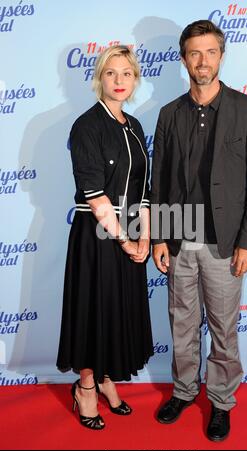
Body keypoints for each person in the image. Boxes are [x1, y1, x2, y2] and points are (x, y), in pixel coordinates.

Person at [151, 20, 247, 441]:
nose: (202, 61)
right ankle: (184, 391)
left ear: (221, 55)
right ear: (183, 59)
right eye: (193, 53)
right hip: (180, 239)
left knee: (223, 327)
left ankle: (221, 402)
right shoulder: (169, 114)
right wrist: (160, 237)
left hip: (225, 244)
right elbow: (160, 180)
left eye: (210, 52)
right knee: (182, 322)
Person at [57, 45, 153, 430]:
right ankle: (85, 388)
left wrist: (145, 236)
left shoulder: (134, 125)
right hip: (97, 239)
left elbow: (143, 190)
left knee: (116, 313)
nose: (119, 81)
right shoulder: (86, 125)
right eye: (111, 73)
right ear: (100, 77)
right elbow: (95, 196)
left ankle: (107, 379)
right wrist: (127, 242)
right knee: (92, 311)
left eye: (126, 74)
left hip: (129, 233)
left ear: (135, 79)